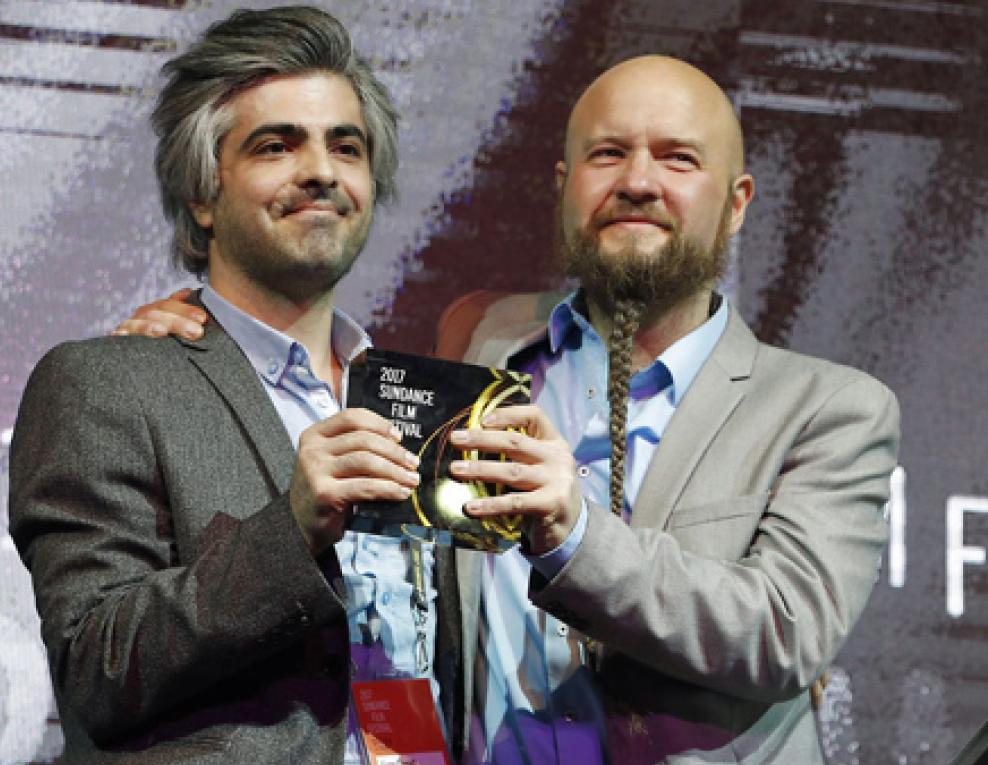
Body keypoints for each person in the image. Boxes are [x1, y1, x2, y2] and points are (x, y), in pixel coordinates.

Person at [116, 56, 900, 764]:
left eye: (678, 158)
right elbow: (318, 366)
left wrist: (575, 534)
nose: (637, 181)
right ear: (563, 186)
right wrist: (210, 330)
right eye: (607, 153)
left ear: (736, 203)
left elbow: (783, 632)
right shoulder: (483, 340)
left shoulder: (830, 410)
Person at [9, 8, 464, 764]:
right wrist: (292, 530)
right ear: (202, 194)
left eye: (345, 146)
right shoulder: (104, 382)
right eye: (276, 145)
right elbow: (94, 667)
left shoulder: (414, 400)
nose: (321, 171)